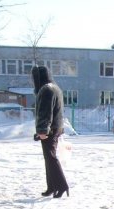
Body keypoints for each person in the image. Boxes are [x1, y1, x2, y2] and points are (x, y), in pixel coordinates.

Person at [32, 65, 69, 198]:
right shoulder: (54, 87)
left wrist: (42, 130)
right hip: (55, 127)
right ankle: (52, 187)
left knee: (51, 158)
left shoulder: (46, 89)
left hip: (50, 129)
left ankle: (62, 185)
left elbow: (45, 113)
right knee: (49, 158)